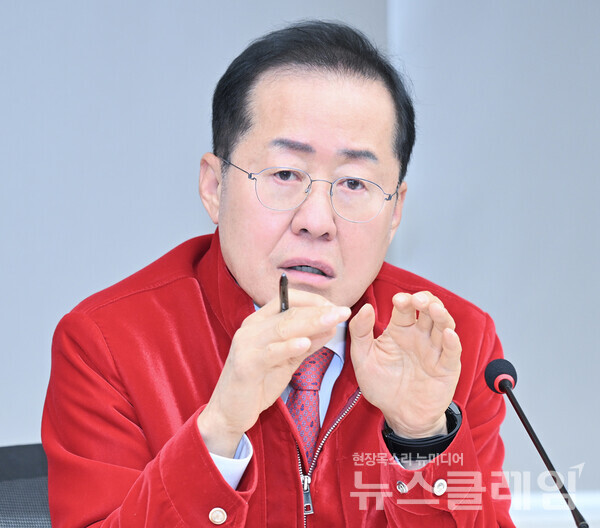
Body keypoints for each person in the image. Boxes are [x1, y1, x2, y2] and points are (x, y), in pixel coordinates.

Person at [42, 20, 515, 527]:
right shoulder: (110, 344)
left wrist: (421, 439)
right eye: (285, 174)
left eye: (354, 183)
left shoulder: (451, 343)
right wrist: (218, 430)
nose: (317, 221)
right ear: (214, 187)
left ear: (395, 209)